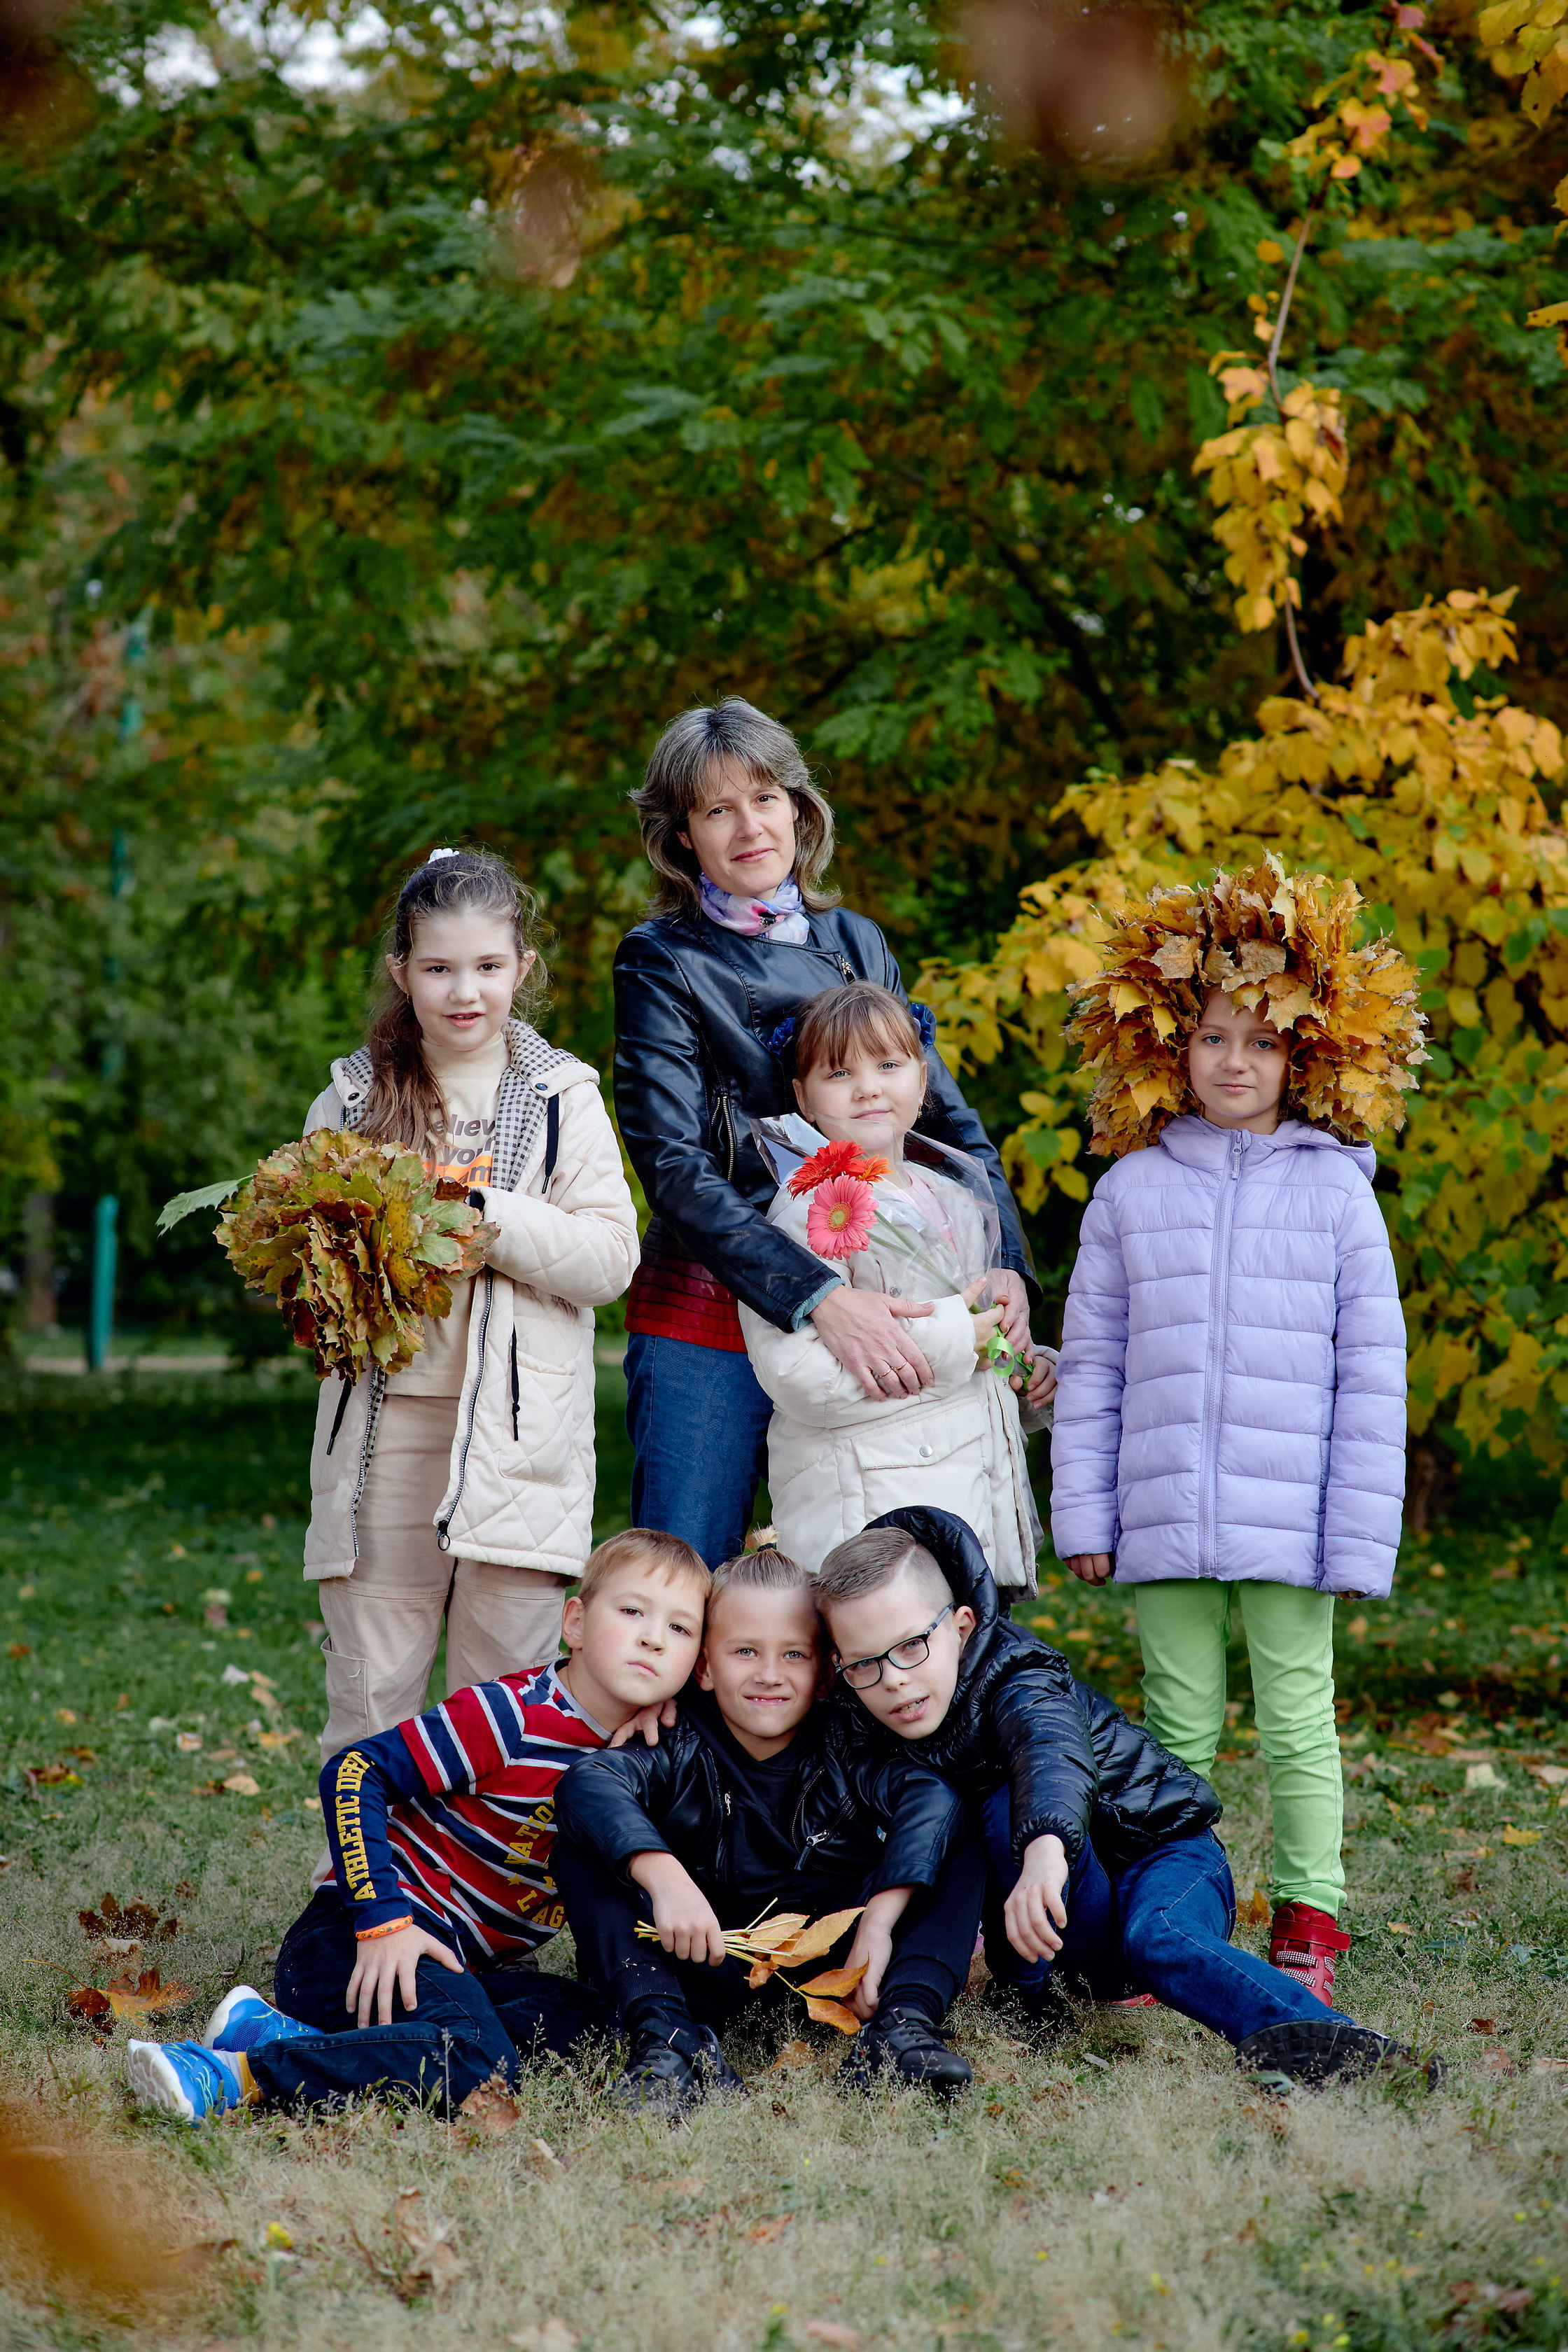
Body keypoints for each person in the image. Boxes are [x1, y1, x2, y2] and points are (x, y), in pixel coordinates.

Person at [1048, 863, 1420, 2003]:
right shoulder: (1129, 1193)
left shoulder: (1339, 1194)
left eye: (1262, 1042)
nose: (1235, 1061)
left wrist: (1358, 1541)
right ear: (1175, 1046)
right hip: (1161, 1508)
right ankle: (1177, 1913)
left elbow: (1374, 1377)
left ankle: (1312, 1913)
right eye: (1213, 1036)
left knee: (1299, 1715)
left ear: (1305, 1057)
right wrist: (1086, 1513)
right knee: (1174, 1731)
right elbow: (1095, 1367)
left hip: (1290, 1520)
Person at [612, 696, 1038, 1563]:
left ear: (800, 811)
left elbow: (947, 1125)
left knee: (870, 1571)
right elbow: (672, 1165)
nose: (747, 827)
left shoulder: (855, 942)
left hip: (882, 1294)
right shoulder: (659, 958)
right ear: (682, 834)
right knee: (685, 1577)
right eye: (715, 809)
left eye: (765, 797)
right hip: (712, 1310)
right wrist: (815, 1294)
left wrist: (1007, 1266)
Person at [815, 1508, 1438, 2090]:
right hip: (1075, 1919)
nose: (894, 1679)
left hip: (1162, 1852)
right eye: (865, 1664)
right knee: (984, 1812)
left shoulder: (1020, 1675)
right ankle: (1026, 1995)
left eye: (910, 1646)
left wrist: (1046, 1849)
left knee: (1157, 1932)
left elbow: (1049, 1749)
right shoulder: (866, 1723)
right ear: (841, 1666)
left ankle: (1329, 2040)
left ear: (961, 1626)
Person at [125, 1530, 709, 2122]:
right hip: (359, 1942)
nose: (652, 1638)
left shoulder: (654, 1758)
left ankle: (274, 2034)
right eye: (632, 1611)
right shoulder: (512, 1716)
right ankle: (230, 2076)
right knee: (479, 2065)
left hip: (458, 1970)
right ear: (575, 1623)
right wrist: (383, 1922)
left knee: (605, 2026)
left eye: (680, 1629)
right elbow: (354, 1773)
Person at [301, 845, 640, 1766]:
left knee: (501, 1710)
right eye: (440, 967)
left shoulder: (564, 1097)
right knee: (372, 1694)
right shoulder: (350, 1097)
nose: (465, 991)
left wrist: (484, 1216)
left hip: (521, 1447)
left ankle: (482, 1906)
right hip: (385, 1435)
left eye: (489, 967)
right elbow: (306, 1260)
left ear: (522, 970)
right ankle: (363, 1896)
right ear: (401, 971)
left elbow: (611, 1257)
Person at [552, 1545, 984, 2113]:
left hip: (840, 1968)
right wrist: (665, 1879)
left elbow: (932, 1797)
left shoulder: (846, 1743)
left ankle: (904, 2025)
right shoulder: (678, 1742)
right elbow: (587, 1783)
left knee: (955, 1834)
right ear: (705, 1667)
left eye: (794, 1655)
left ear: (825, 1670)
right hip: (703, 1961)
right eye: (746, 1651)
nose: (770, 1675)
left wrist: (878, 1921)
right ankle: (668, 2041)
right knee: (580, 1847)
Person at [737, 981, 1056, 1587]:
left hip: (971, 1520)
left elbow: (973, 1348)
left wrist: (1019, 1371)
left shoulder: (959, 1199)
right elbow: (799, 1378)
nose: (869, 1087)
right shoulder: (808, 1209)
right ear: (803, 1097)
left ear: (922, 1078)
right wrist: (957, 1340)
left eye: (889, 1064)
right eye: (839, 1073)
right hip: (872, 1528)